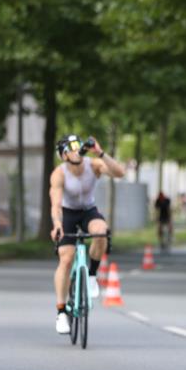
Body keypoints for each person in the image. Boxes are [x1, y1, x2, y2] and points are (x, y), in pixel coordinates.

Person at [50, 134, 126, 334]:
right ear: (63, 156)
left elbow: (120, 173)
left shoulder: (93, 165)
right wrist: (57, 225)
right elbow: (56, 204)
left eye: (78, 148)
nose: (76, 152)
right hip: (67, 213)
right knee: (66, 258)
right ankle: (61, 312)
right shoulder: (59, 173)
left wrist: (100, 153)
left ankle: (91, 274)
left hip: (88, 211)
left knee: (101, 232)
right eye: (70, 149)